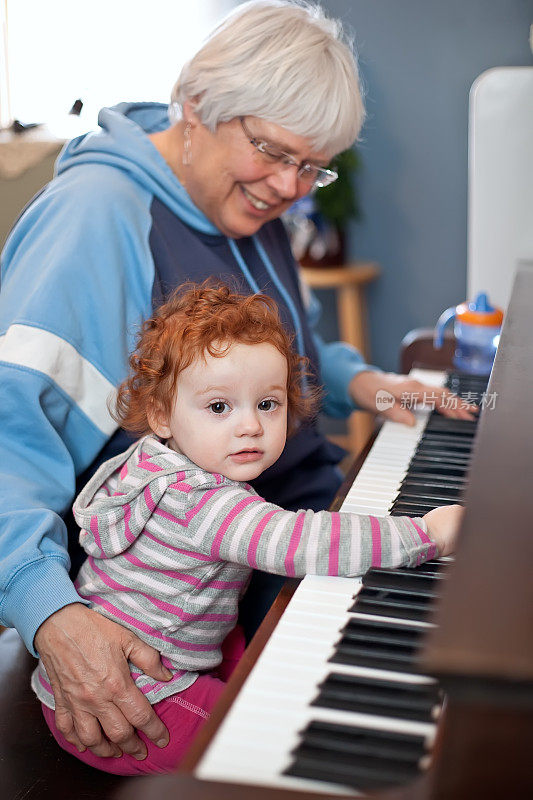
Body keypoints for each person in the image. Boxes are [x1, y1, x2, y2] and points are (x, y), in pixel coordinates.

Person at [0, 0, 474, 765]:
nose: (291, 188)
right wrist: (47, 613)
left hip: (266, 547)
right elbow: (7, 436)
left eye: (312, 166)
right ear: (195, 108)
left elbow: (285, 347)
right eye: (273, 152)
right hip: (205, 576)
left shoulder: (245, 200)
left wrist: (362, 382)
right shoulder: (98, 219)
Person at [32, 281, 462, 775]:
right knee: (262, 748)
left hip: (144, 658)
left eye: (267, 403)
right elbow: (306, 542)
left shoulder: (149, 461)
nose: (251, 426)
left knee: (272, 662)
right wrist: (426, 534)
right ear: (160, 414)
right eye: (219, 407)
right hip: (134, 702)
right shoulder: (204, 505)